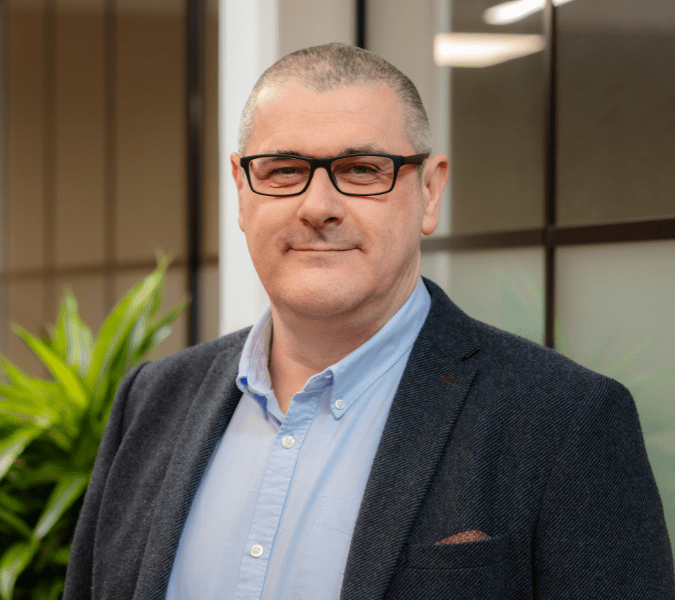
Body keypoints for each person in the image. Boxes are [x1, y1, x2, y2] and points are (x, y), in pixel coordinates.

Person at [64, 43, 674, 599]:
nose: (318, 207)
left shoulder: (563, 421)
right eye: (283, 170)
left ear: (430, 193)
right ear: (242, 191)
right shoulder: (151, 402)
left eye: (361, 170)